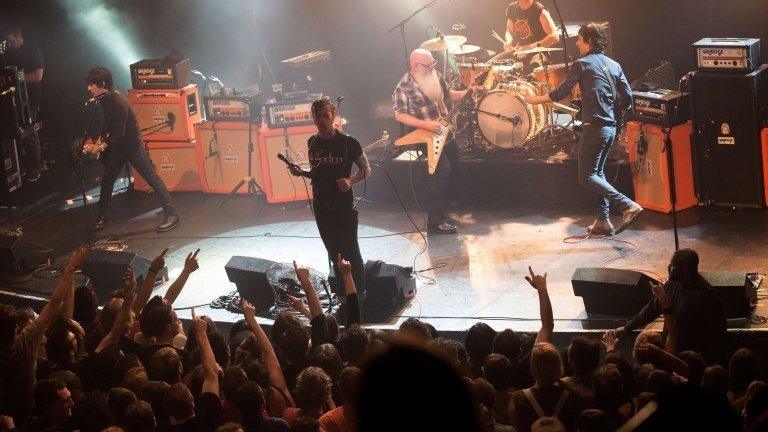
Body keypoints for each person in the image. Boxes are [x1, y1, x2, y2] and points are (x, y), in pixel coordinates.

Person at [524, 23, 642, 236]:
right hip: (611, 129)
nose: (576, 42)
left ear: (588, 40)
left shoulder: (582, 64)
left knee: (586, 176)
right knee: (598, 175)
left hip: (594, 128)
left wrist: (534, 100)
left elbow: (561, 92)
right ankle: (604, 221)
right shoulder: (614, 65)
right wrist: (615, 113)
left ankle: (627, 206)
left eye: (579, 38)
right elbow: (628, 99)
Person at [287, 97, 370, 297]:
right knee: (333, 252)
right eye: (318, 117)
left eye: (326, 115)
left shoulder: (349, 142)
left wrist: (351, 181)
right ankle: (342, 294)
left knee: (351, 251)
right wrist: (302, 172)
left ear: (333, 116)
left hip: (343, 205)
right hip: (321, 205)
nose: (322, 120)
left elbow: (366, 169)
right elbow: (319, 173)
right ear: (313, 119)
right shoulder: (312, 143)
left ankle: (359, 294)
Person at [392, 48, 481, 234]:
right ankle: (435, 222)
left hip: (445, 132)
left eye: (433, 63)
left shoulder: (435, 75)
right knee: (442, 171)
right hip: (425, 137)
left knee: (454, 168)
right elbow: (400, 115)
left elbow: (447, 96)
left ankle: (444, 208)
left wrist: (468, 91)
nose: (432, 67)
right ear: (416, 66)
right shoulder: (404, 87)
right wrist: (427, 125)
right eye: (428, 65)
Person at [83, 66, 180, 232]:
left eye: (92, 85)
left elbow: (118, 132)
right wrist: (98, 141)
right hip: (118, 147)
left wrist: (99, 147)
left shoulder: (118, 101)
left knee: (151, 178)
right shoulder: (105, 99)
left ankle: (172, 214)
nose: (89, 88)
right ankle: (103, 216)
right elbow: (108, 126)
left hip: (131, 146)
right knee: (107, 181)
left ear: (103, 84)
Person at [612, 249, 726, 362]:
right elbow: (652, 309)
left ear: (685, 270)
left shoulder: (707, 296)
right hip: (671, 353)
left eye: (673, 265)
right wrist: (627, 327)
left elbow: (717, 337)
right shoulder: (672, 284)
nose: (669, 267)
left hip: (691, 360)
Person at [1, 23, 44, 181]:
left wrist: (16, 79)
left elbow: (38, 76)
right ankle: (20, 168)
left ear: (19, 37)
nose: (11, 45)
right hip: (13, 100)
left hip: (30, 98)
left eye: (13, 42)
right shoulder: (9, 53)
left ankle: (35, 168)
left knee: (29, 132)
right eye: (9, 43)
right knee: (17, 133)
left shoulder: (32, 49)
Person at [503, 0, 560, 73]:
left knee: (532, 69)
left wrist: (528, 48)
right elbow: (509, 31)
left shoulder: (540, 10)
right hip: (519, 53)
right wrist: (508, 41)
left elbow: (555, 36)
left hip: (539, 55)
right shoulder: (512, 8)